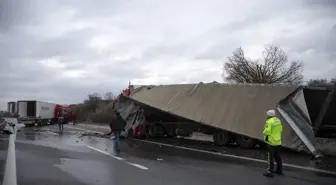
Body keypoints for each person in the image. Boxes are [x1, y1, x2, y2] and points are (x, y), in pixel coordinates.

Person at [263, 110, 283, 177]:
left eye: (267, 114)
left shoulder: (269, 121)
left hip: (271, 142)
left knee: (270, 158)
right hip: (278, 142)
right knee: (278, 157)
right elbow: (281, 129)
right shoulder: (278, 120)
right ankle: (279, 170)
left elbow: (267, 131)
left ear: (269, 115)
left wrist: (264, 132)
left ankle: (269, 172)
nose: (266, 115)